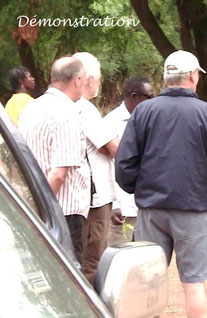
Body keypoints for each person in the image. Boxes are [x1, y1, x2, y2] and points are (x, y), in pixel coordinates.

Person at [115, 50, 207, 318]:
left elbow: (124, 164)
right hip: (193, 210)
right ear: (193, 76)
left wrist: (142, 190)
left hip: (151, 210)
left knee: (146, 284)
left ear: (166, 77)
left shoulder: (143, 111)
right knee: (193, 285)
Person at [19, 57, 90, 262]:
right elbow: (58, 174)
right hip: (61, 213)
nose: (85, 84)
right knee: (69, 276)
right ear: (76, 80)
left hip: (34, 204)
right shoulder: (66, 114)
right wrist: (44, 208)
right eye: (84, 79)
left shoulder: (32, 108)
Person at [73, 52, 120, 284]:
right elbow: (112, 147)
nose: (100, 82)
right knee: (93, 259)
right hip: (95, 198)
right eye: (99, 77)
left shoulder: (64, 106)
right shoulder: (85, 109)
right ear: (89, 78)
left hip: (76, 195)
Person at [105, 77, 153, 246]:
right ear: (135, 96)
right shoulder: (111, 123)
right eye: (149, 97)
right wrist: (114, 203)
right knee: (119, 256)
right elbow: (107, 167)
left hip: (146, 206)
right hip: (122, 208)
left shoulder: (150, 120)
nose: (152, 101)